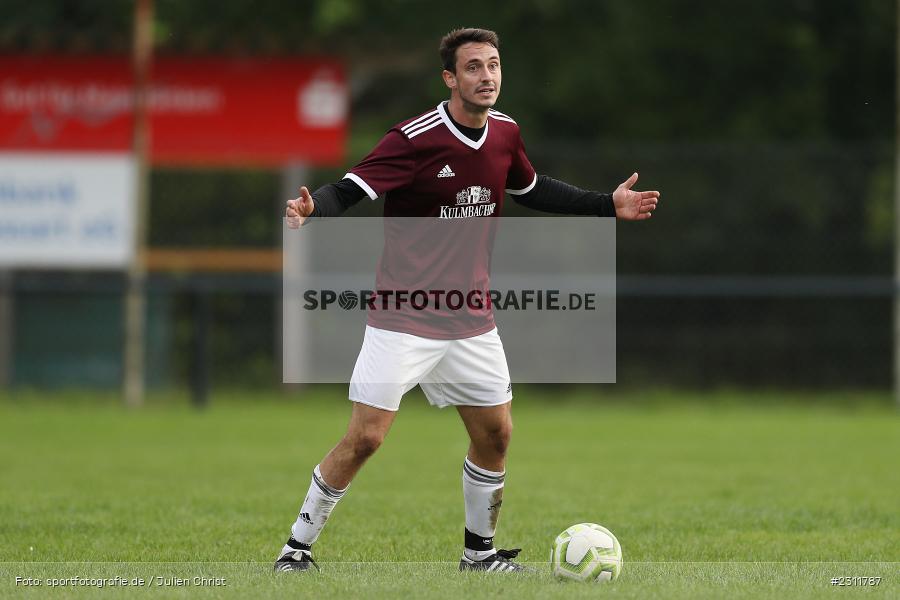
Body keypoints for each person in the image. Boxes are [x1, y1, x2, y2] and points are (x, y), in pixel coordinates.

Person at [276, 27, 659, 573]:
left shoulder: (504, 133)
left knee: (497, 433)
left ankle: (478, 556)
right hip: (402, 318)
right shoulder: (414, 138)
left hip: (470, 320)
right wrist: (313, 210)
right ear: (450, 78)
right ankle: (296, 549)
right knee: (365, 438)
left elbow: (532, 188)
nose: (487, 77)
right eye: (474, 67)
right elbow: (351, 188)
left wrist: (605, 205)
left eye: (494, 65)